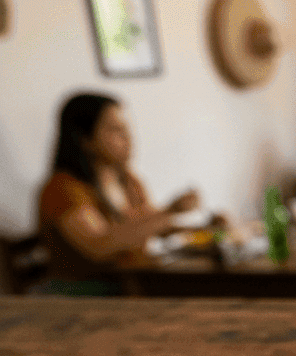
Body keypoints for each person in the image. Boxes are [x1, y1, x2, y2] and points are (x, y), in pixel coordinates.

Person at [36, 92, 201, 295]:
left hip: (136, 284)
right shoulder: (63, 189)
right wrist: (170, 211)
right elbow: (100, 246)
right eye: (116, 130)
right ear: (83, 139)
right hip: (88, 297)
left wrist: (208, 230)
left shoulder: (128, 181)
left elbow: (149, 224)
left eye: (126, 128)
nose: (128, 137)